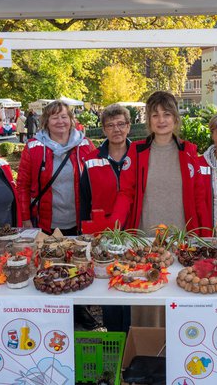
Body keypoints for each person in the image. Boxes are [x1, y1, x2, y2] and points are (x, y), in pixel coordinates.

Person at [110, 91, 208, 327]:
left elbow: (200, 195)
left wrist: (206, 236)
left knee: (182, 297)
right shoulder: (137, 151)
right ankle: (146, 352)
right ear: (149, 120)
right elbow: (126, 192)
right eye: (155, 115)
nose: (161, 120)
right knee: (148, 301)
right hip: (146, 241)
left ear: (175, 118)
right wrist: (112, 227)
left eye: (166, 114)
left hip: (182, 241)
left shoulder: (189, 151)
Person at [17, 100, 97, 330]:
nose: (60, 121)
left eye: (64, 116)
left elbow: (95, 180)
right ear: (46, 122)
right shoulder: (34, 147)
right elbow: (22, 186)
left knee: (79, 266)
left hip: (78, 220)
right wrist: (24, 219)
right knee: (51, 268)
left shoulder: (85, 145)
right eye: (54, 117)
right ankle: (53, 317)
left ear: (72, 119)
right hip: (46, 222)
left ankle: (80, 311)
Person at [79, 104, 132, 333]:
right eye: (110, 125)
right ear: (104, 129)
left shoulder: (139, 156)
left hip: (134, 232)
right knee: (110, 287)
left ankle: (133, 335)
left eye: (121, 124)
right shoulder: (91, 161)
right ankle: (115, 336)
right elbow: (83, 198)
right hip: (103, 234)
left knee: (132, 283)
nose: (116, 129)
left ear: (129, 126)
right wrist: (85, 231)